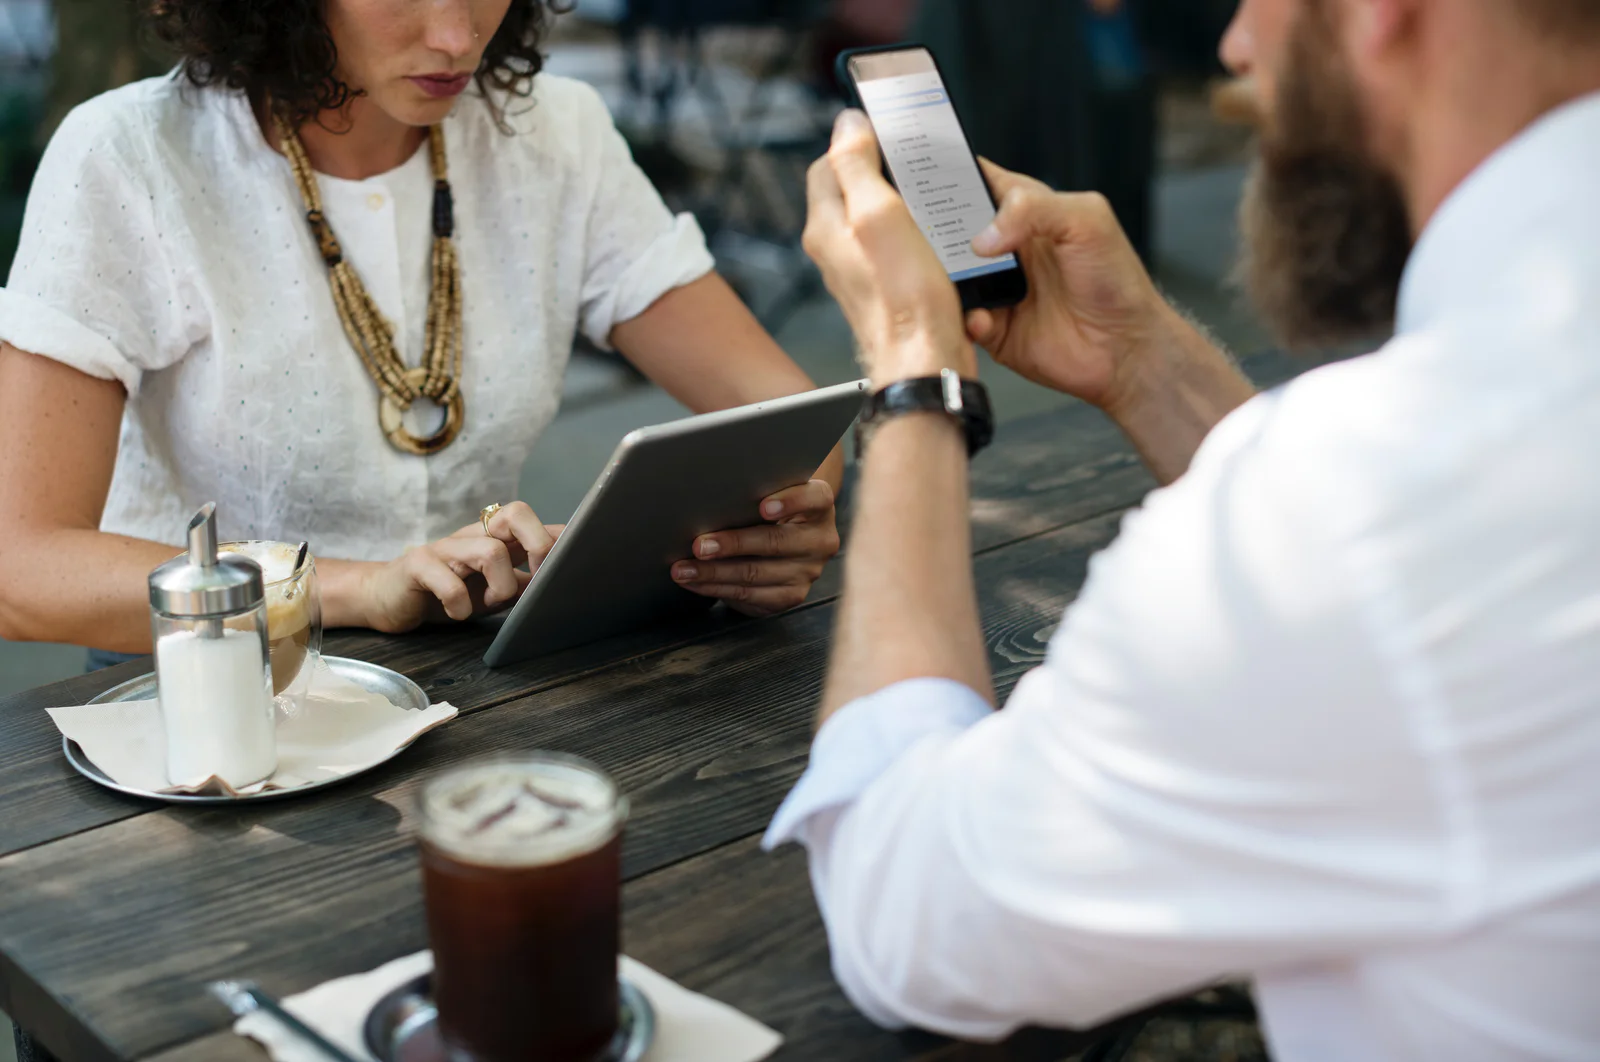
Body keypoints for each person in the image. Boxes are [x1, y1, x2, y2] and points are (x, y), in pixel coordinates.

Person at [766, 0, 1600, 1058]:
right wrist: (1143, 360)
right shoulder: (1441, 468)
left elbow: (913, 918)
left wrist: (913, 374)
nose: (1234, 44)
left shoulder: (1370, 507)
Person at [0, 0, 843, 663]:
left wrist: (773, 528)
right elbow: (22, 571)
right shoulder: (132, 158)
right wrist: (359, 589)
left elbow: (791, 422)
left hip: (477, 685)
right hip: (207, 703)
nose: (457, 35)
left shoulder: (553, 132)